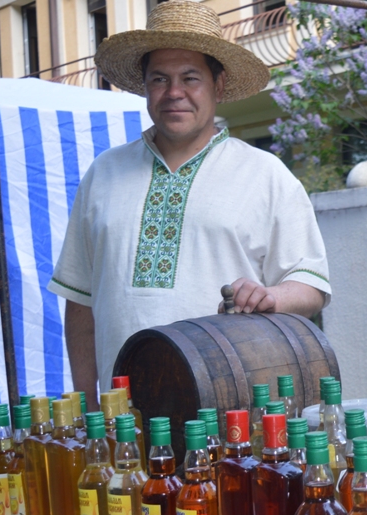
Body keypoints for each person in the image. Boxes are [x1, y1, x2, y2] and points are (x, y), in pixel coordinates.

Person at [48, 0, 330, 408]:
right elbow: (80, 303)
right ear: (144, 87)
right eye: (159, 78)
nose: (173, 92)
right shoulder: (103, 174)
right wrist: (88, 406)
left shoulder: (266, 174)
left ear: (218, 85)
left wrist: (272, 297)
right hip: (124, 416)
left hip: (234, 416)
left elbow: (311, 287)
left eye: (190, 78)